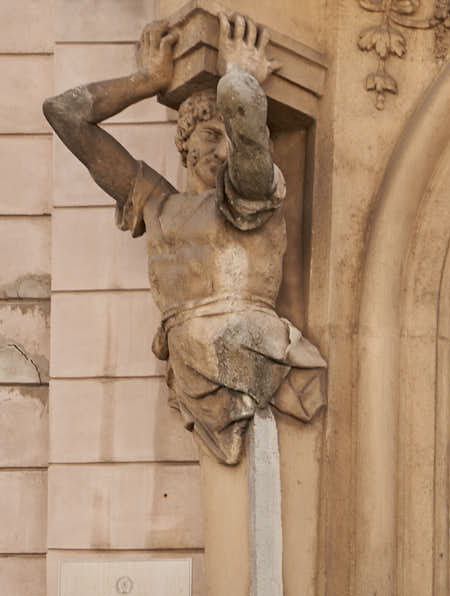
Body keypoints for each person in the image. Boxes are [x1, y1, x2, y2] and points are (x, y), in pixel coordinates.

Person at [43, 14, 325, 466]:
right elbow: (65, 113)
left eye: (231, 139)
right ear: (185, 142)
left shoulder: (249, 196)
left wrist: (239, 82)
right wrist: (147, 80)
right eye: (212, 136)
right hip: (189, 365)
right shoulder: (157, 203)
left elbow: (251, 149)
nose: (223, 151)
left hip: (249, 351)